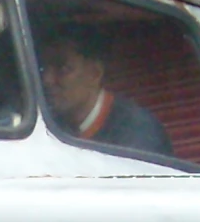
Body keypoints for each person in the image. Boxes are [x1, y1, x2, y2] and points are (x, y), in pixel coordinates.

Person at [38, 30, 172, 159]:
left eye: (63, 69)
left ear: (95, 73)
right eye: (43, 68)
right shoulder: (47, 125)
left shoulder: (138, 132)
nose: (47, 79)